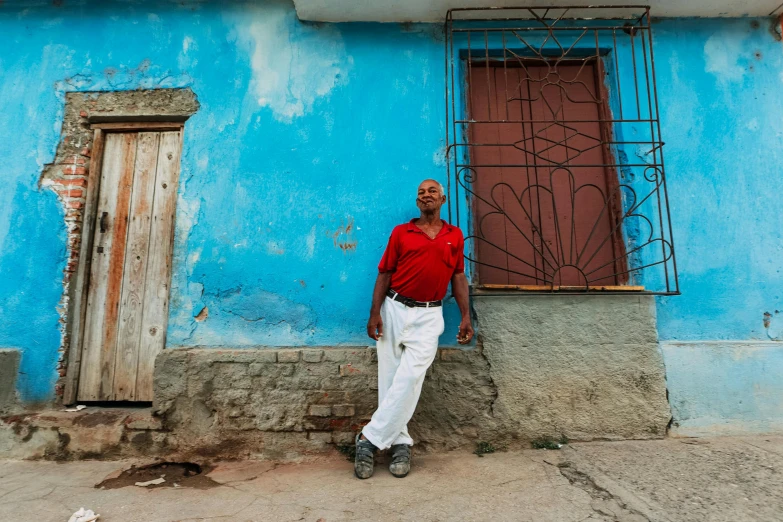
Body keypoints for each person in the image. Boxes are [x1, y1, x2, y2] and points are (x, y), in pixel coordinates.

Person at [355, 179, 474, 479]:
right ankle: (401, 444)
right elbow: (385, 273)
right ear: (417, 202)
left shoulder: (454, 236)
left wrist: (465, 315)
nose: (426, 195)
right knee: (391, 379)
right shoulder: (401, 233)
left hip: (430, 314)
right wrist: (374, 313)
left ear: (443, 199)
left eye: (432, 191)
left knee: (410, 378)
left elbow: (458, 276)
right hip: (394, 309)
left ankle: (368, 440)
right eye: (421, 193)